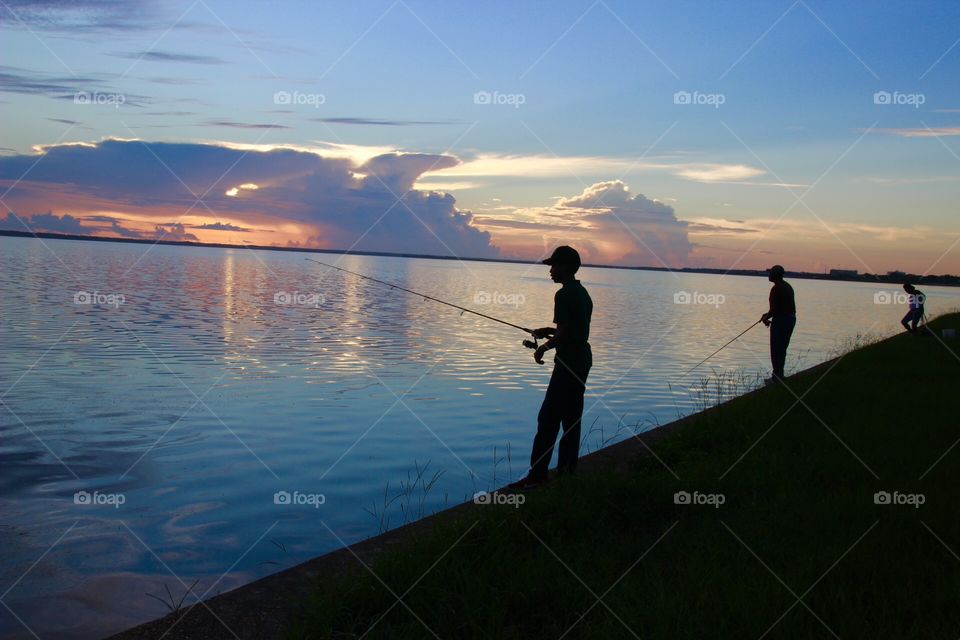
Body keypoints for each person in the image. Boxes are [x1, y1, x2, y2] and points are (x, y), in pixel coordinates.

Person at [508, 246, 593, 490]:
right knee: (571, 420)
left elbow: (566, 334)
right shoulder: (581, 291)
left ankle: (537, 476)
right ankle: (567, 473)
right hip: (582, 361)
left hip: (567, 365)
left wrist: (543, 348)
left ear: (565, 267)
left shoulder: (564, 295)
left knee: (548, 419)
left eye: (554, 266)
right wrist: (549, 330)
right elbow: (575, 330)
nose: (550, 271)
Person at [760, 265, 796, 385]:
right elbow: (779, 308)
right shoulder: (787, 286)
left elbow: (775, 310)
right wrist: (767, 315)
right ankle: (778, 376)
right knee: (781, 348)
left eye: (770, 273)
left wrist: (766, 317)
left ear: (775, 275)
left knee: (776, 349)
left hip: (781, 321)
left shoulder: (776, 289)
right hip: (790, 319)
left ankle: (777, 378)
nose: (768, 275)